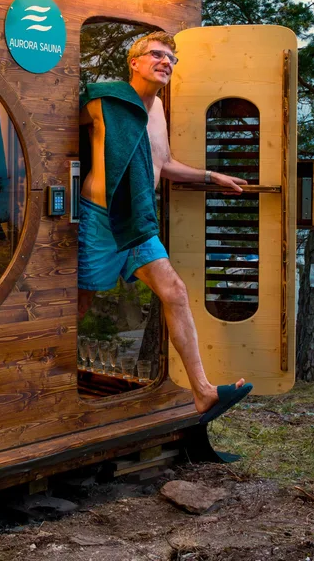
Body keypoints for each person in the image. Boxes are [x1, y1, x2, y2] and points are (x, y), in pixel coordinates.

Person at [78, 31, 251, 424]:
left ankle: (204, 393)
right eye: (157, 54)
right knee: (80, 304)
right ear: (134, 62)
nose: (166, 62)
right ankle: (43, 381)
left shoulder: (157, 111)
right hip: (101, 218)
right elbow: (58, 128)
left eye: (172, 58)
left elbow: (163, 163)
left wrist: (211, 176)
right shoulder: (104, 99)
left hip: (139, 219)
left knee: (174, 291)